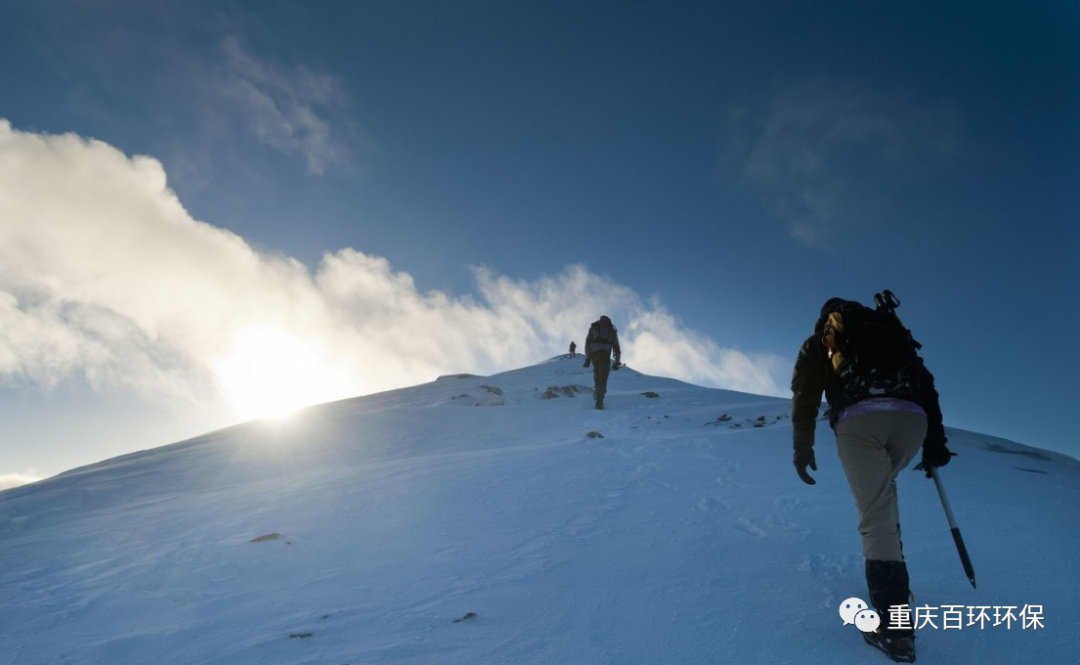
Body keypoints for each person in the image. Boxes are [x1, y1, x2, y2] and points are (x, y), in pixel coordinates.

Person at [790, 297, 955, 663]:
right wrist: (934, 441)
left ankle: (895, 631)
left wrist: (802, 448)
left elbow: (805, 395)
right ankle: (897, 585)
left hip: (861, 420)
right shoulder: (890, 332)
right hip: (912, 420)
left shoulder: (822, 340)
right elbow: (924, 382)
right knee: (884, 497)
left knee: (875, 516)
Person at [583, 315, 621, 410]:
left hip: (594, 354)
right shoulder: (612, 330)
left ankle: (597, 392)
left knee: (597, 374)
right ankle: (599, 402)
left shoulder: (594, 328)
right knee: (603, 378)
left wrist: (587, 358)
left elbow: (588, 343)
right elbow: (616, 347)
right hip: (605, 354)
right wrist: (617, 362)